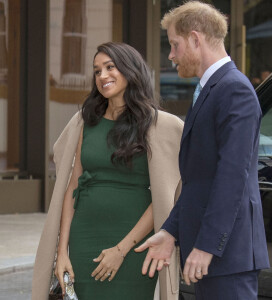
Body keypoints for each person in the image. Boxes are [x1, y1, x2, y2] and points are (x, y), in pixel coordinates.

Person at [136, 2, 270, 299]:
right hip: (215, 257)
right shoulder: (214, 89)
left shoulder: (234, 89)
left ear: (196, 39)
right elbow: (199, 181)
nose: (171, 56)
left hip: (227, 256)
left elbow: (232, 177)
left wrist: (207, 246)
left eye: (174, 45)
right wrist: (171, 231)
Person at [32, 42, 183, 300]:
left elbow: (164, 197)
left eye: (110, 67)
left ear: (130, 70)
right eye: (97, 70)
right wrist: (62, 252)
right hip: (84, 239)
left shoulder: (159, 125)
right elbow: (72, 188)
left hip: (134, 246)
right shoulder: (85, 121)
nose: (102, 76)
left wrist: (121, 250)